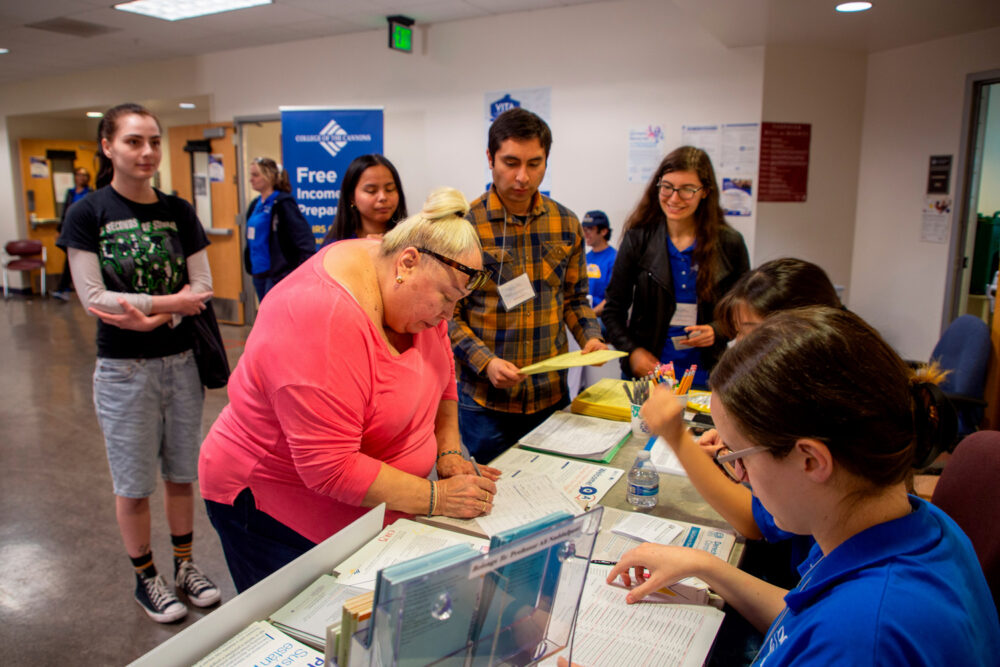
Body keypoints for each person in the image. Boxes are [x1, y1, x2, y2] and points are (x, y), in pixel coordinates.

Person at [610, 307, 1000, 665]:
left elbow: (832, 632)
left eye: (737, 458)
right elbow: (802, 619)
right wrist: (705, 565)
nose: (739, 475)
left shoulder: (862, 640)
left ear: (811, 460)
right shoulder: (909, 524)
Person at [199, 187, 501, 592]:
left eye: (458, 302)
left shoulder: (399, 272)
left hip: (370, 506)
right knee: (307, 626)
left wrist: (447, 452)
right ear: (407, 263)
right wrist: (437, 498)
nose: (448, 315)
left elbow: (443, 372)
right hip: (272, 503)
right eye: (446, 299)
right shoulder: (320, 319)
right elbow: (331, 467)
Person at [57, 103, 221, 624]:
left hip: (181, 365)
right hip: (124, 372)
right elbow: (94, 298)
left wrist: (152, 312)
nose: (147, 151)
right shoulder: (88, 213)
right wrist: (171, 306)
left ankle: (184, 566)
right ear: (108, 147)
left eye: (153, 140)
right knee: (132, 484)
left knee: (180, 475)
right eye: (133, 141)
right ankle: (145, 576)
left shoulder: (177, 210)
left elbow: (204, 286)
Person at [450, 108, 607, 464]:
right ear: (490, 159)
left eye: (534, 164)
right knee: (489, 498)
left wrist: (590, 337)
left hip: (548, 394)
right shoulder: (464, 226)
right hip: (484, 402)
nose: (522, 176)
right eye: (510, 162)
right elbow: (447, 316)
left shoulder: (565, 223)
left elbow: (574, 298)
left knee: (551, 489)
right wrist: (485, 362)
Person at [601, 146, 750, 386]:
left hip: (707, 375)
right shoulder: (639, 238)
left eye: (687, 190)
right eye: (667, 187)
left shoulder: (729, 243)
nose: (674, 198)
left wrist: (718, 330)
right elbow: (612, 311)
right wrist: (633, 352)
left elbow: (743, 313)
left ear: (705, 192)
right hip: (649, 374)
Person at [244, 156, 316, 300]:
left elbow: (303, 238)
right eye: (251, 175)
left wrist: (302, 271)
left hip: (277, 273)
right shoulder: (255, 205)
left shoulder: (282, 203)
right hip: (258, 271)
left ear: (269, 177)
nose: (251, 179)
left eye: (256, 175)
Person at [321, 154, 407, 245]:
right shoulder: (335, 246)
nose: (383, 197)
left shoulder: (413, 242)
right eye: (371, 191)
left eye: (390, 189)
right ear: (352, 197)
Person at [52, 167, 93, 301]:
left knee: (73, 260)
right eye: (78, 175)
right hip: (71, 229)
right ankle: (64, 288)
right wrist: (60, 230)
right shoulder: (70, 193)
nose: (81, 178)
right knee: (71, 260)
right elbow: (65, 212)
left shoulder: (91, 192)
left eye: (84, 175)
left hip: (85, 230)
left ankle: (63, 288)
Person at [581, 210, 616, 321]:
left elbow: (612, 299)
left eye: (590, 229)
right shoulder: (584, 258)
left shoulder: (614, 259)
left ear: (604, 231)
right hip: (585, 313)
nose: (585, 234)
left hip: (603, 317)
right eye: (584, 229)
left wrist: (590, 314)